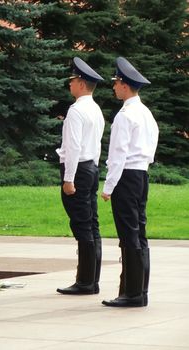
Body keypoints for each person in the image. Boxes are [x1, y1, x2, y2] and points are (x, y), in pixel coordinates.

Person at [101, 57, 158, 307]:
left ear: (124, 85)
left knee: (129, 235)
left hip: (126, 176)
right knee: (139, 233)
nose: (113, 87)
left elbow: (117, 155)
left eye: (116, 83)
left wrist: (108, 187)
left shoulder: (125, 116)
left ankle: (132, 293)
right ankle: (138, 291)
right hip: (141, 174)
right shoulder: (145, 113)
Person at [56, 57, 105, 295]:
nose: (70, 84)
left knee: (83, 226)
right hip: (91, 168)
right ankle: (90, 279)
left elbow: (73, 147)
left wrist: (69, 178)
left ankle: (85, 281)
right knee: (92, 225)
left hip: (78, 170)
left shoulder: (76, 111)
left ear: (82, 83)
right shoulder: (95, 109)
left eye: (73, 80)